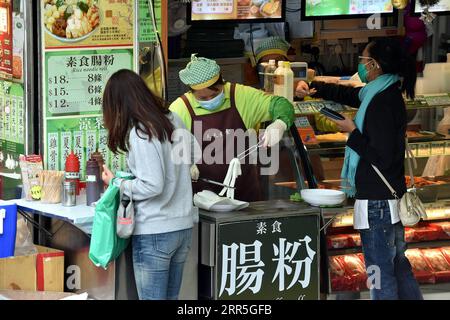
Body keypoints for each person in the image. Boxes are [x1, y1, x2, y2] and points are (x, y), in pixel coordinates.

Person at [296, 38, 423, 300]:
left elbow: (381, 157)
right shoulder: (379, 93)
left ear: (374, 65)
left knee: (379, 272)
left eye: (363, 60)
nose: (361, 65)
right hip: (388, 199)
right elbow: (349, 94)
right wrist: (313, 87)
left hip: (377, 203)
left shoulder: (381, 102)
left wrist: (352, 132)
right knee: (398, 266)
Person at [101, 69, 196, 300]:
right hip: (182, 227)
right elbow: (193, 155)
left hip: (155, 232)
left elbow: (153, 185)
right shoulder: (173, 119)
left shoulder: (141, 132)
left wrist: (118, 183)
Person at [170, 54, 295, 202]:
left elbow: (282, 104)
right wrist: (185, 164)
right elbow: (167, 146)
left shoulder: (242, 96)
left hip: (244, 195)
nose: (210, 100)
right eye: (203, 98)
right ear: (191, 92)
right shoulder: (180, 108)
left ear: (222, 83)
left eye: (215, 94)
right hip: (200, 199)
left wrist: (280, 124)